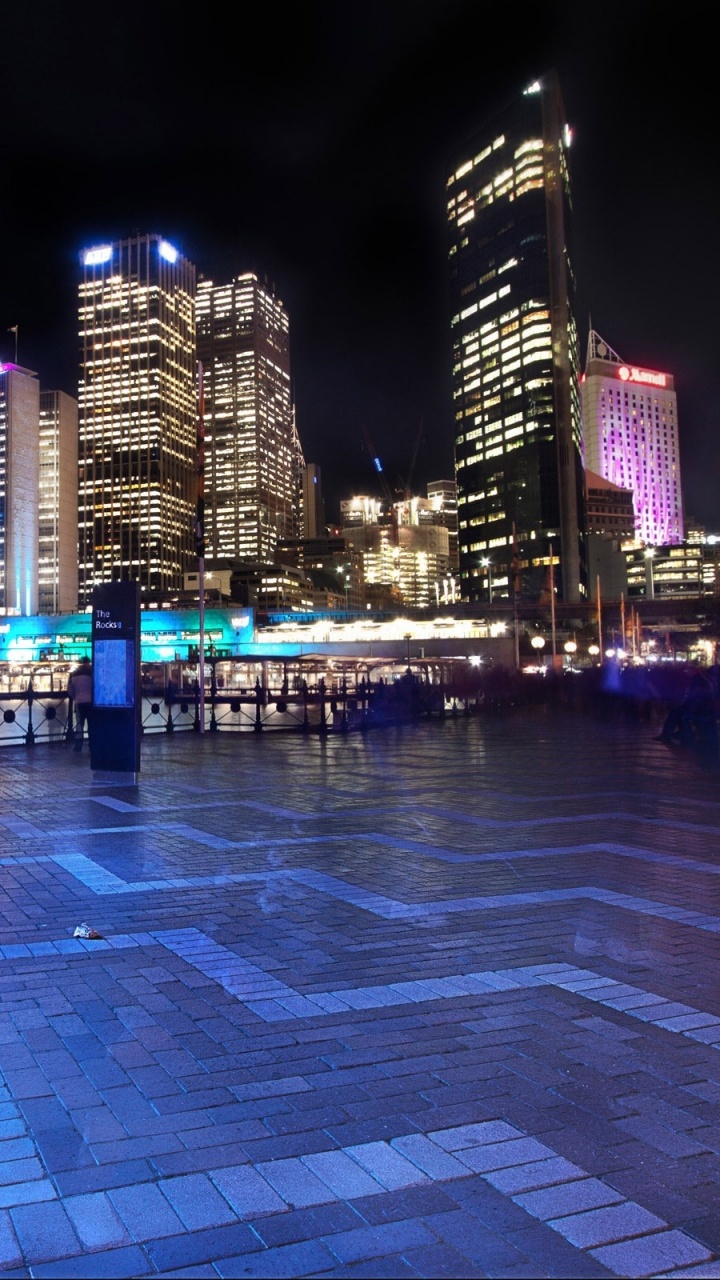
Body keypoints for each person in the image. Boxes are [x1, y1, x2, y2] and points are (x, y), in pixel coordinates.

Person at [655, 672, 717, 749]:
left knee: (679, 714)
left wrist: (685, 706)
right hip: (700, 711)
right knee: (676, 712)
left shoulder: (701, 691)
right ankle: (671, 734)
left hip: (703, 713)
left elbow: (697, 706)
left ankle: (670, 734)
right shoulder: (704, 688)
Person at [68, 658, 93, 753]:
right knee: (91, 724)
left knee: (79, 724)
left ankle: (78, 746)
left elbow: (70, 689)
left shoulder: (74, 675)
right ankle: (92, 744)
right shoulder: (91, 674)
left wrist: (75, 696)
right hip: (90, 702)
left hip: (79, 702)